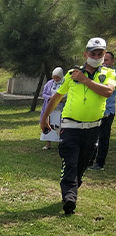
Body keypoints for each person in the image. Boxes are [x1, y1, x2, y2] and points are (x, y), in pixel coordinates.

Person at [40, 37, 116, 215]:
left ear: (104, 55)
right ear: (85, 54)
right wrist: (44, 119)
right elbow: (57, 97)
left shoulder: (109, 74)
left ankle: (71, 190)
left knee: (82, 164)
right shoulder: (71, 74)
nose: (96, 57)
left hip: (93, 128)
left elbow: (107, 91)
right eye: (93, 53)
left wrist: (84, 80)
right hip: (71, 127)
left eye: (100, 54)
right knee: (70, 163)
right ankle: (69, 198)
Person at [89, 51, 116, 170]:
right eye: (103, 60)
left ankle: (100, 163)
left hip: (107, 111)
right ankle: (89, 160)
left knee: (103, 137)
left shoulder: (112, 75)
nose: (104, 63)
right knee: (92, 136)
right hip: (94, 111)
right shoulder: (96, 73)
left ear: (113, 62)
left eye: (107, 60)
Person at [39, 67, 65, 150]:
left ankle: (61, 143)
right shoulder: (50, 83)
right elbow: (44, 94)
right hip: (51, 109)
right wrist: (49, 97)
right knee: (49, 125)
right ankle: (48, 143)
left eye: (57, 77)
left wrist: (63, 100)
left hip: (61, 109)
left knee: (61, 127)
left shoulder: (65, 83)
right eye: (54, 77)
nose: (55, 79)